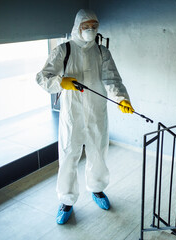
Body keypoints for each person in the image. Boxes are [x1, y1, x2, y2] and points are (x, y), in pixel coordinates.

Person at [36, 9, 134, 225]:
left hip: (96, 113)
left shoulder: (101, 52)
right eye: (86, 26)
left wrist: (121, 99)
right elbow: (43, 77)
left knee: (98, 152)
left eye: (94, 26)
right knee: (69, 156)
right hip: (72, 114)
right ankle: (66, 201)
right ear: (77, 26)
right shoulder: (64, 49)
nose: (90, 30)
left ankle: (97, 189)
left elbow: (112, 79)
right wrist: (61, 82)